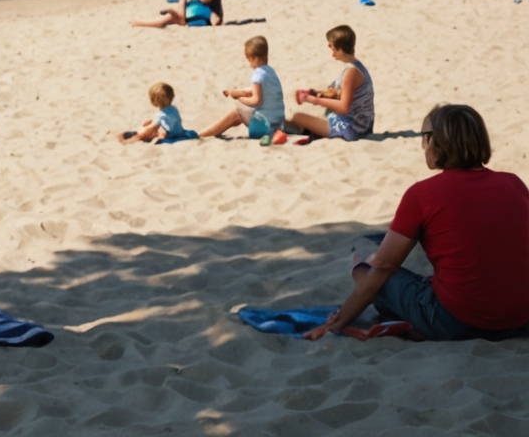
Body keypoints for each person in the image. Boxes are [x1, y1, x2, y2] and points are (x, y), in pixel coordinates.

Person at [303, 104, 529, 341]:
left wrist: (336, 324)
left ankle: (424, 326)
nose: (423, 146)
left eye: (424, 137)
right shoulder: (513, 184)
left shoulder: (423, 194)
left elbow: (382, 269)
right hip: (520, 320)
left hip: (460, 322)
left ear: (436, 141)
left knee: (367, 259)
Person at [288, 25, 374, 141]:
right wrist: (318, 94)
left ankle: (308, 133)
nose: (329, 46)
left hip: (352, 129)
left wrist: (314, 100)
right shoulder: (357, 66)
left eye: (332, 45)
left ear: (340, 48)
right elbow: (342, 95)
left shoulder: (351, 72)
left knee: (298, 117)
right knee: (316, 117)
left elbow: (343, 107)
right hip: (362, 125)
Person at [199, 37, 287, 139]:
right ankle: (205, 133)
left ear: (254, 58)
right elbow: (256, 91)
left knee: (238, 111)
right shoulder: (270, 71)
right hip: (279, 125)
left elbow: (257, 101)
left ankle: (202, 134)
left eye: (249, 60)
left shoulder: (257, 75)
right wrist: (238, 92)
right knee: (244, 111)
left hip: (265, 128)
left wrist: (239, 98)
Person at [120, 83, 188, 143]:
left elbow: (164, 128)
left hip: (168, 135)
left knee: (140, 135)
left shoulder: (161, 116)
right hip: (178, 132)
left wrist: (158, 133)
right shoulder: (174, 109)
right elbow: (173, 121)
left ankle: (126, 142)